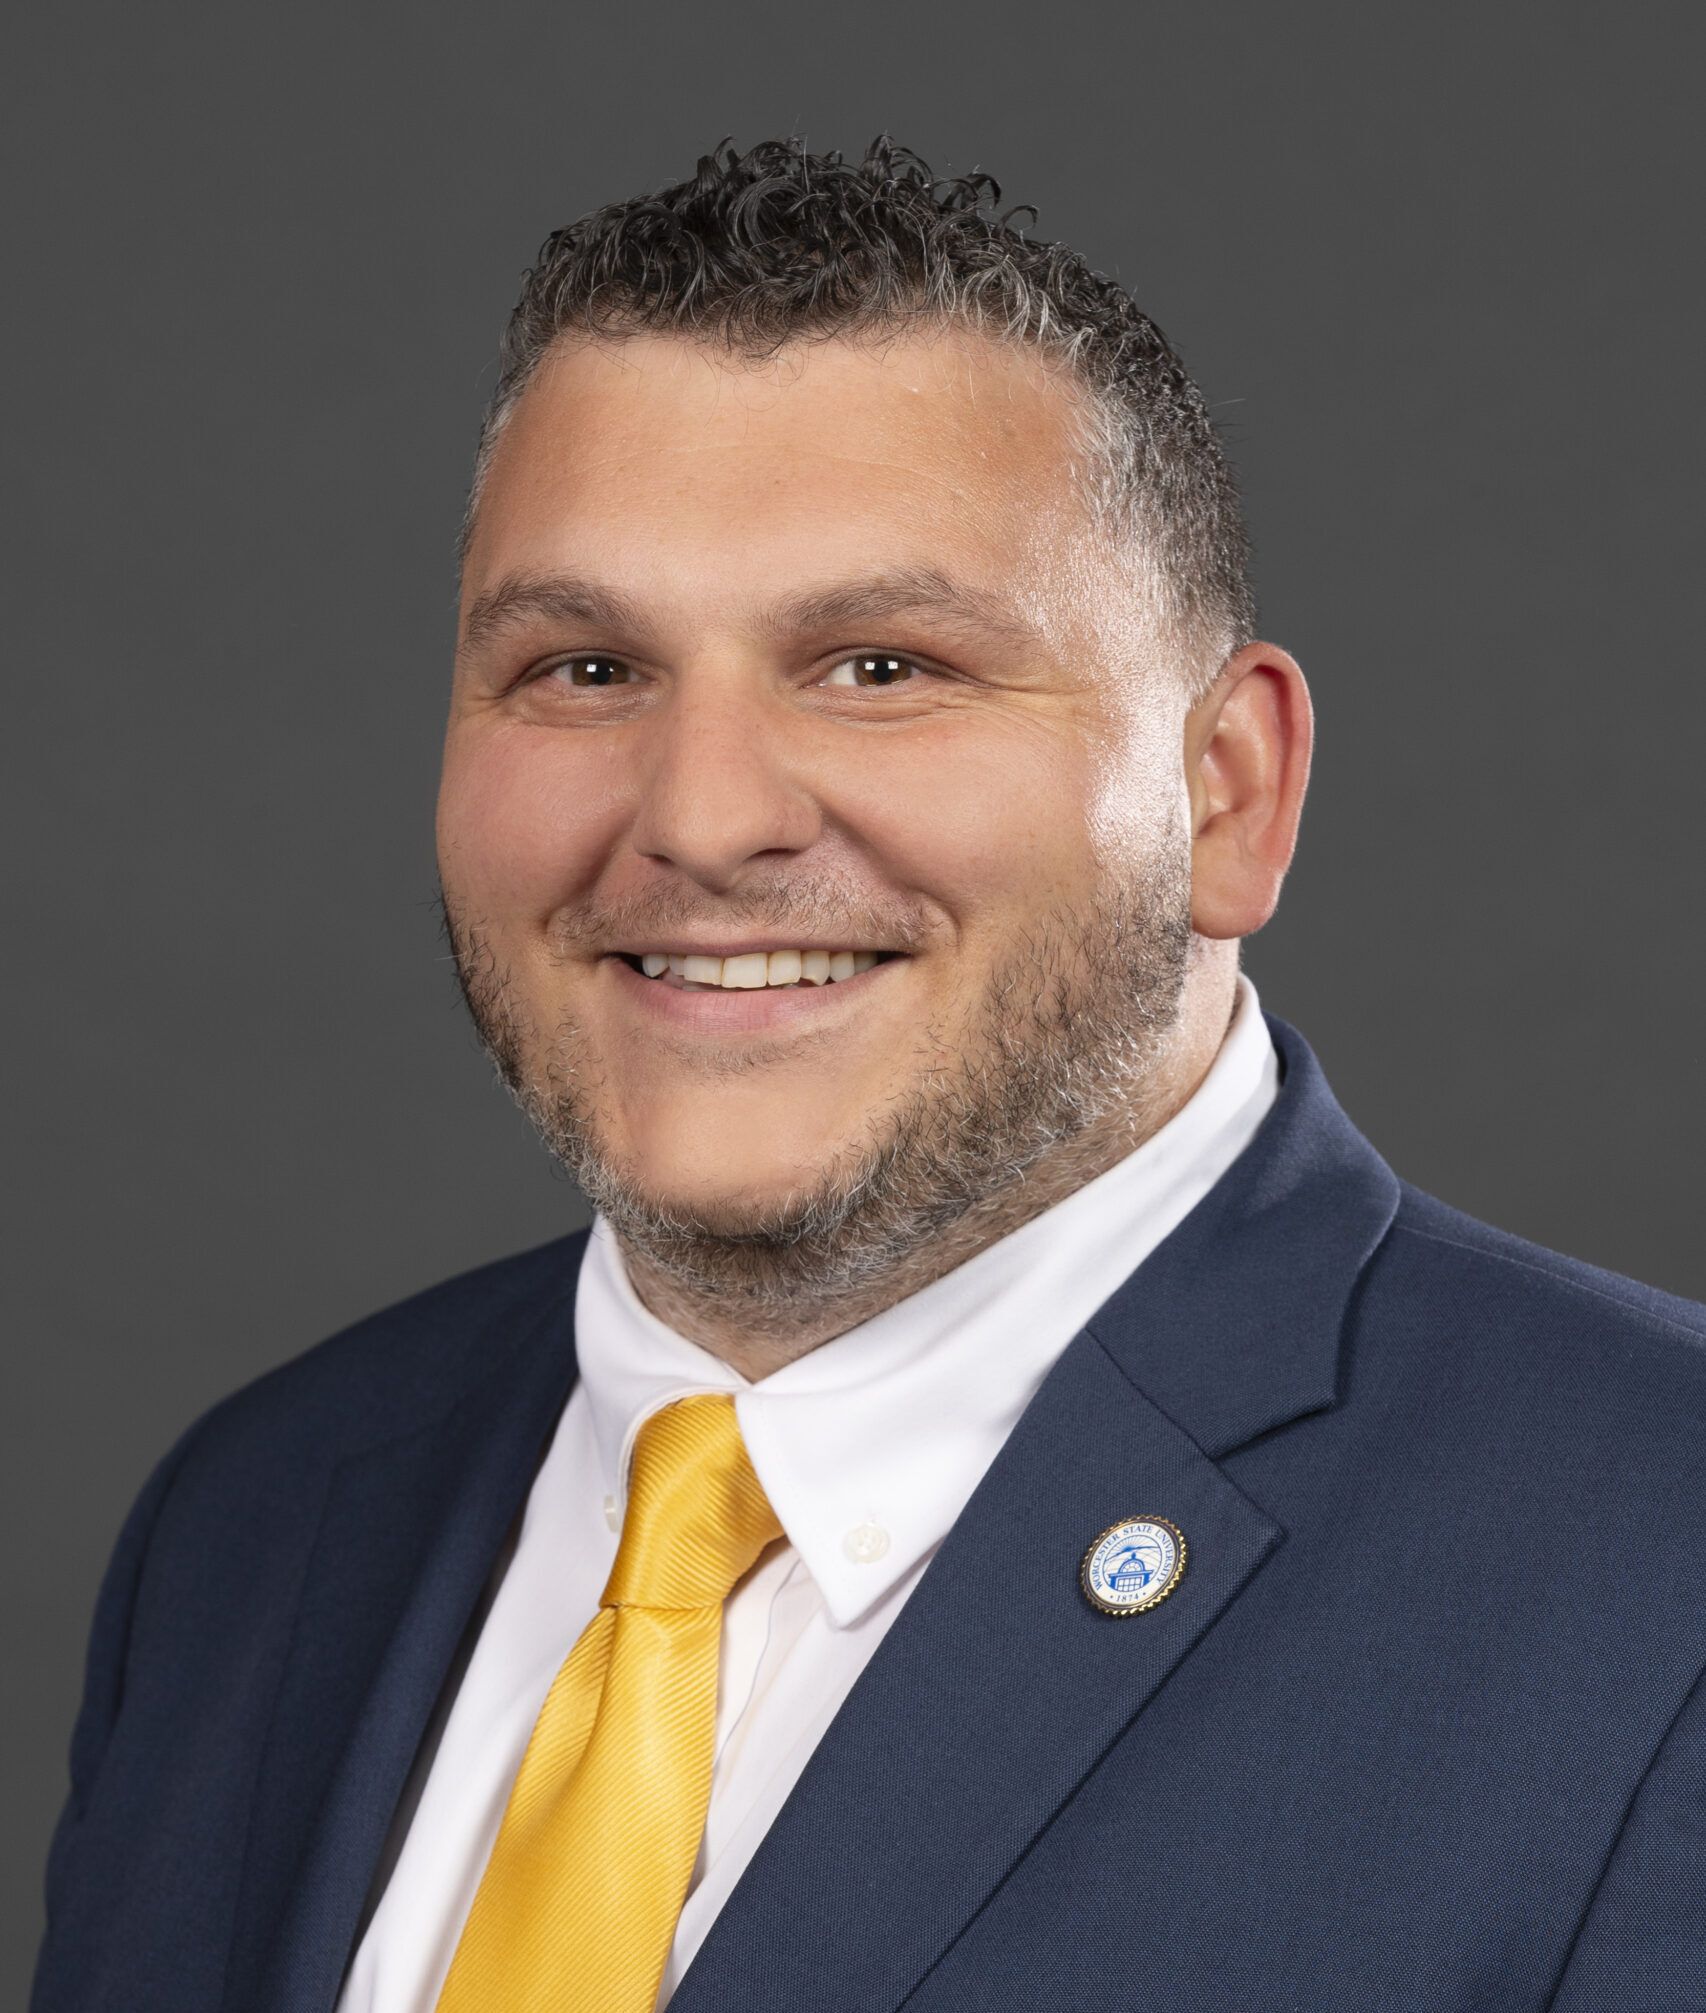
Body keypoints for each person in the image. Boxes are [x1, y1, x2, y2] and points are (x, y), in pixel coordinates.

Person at [32, 134, 1706, 2013]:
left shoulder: (1657, 1573)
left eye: (881, 665)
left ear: (1226, 791)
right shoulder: (259, 1520)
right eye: (584, 669)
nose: (702, 815)